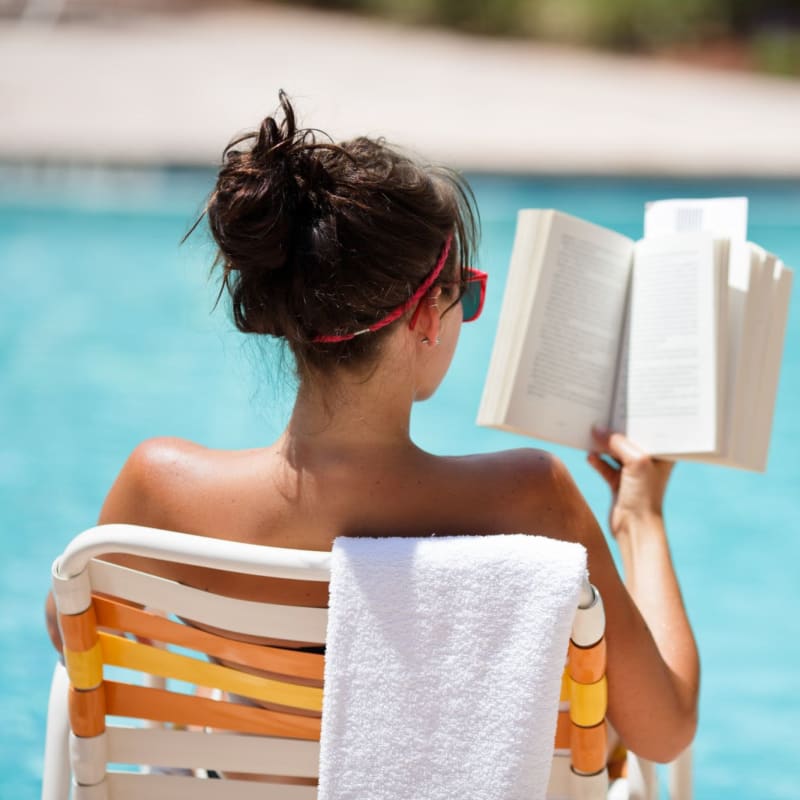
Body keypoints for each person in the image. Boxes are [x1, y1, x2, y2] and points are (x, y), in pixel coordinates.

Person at [48, 92, 698, 763]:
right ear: (423, 318)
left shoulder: (160, 490)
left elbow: (72, 630)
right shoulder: (532, 498)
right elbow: (666, 730)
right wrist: (640, 520)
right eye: (464, 294)